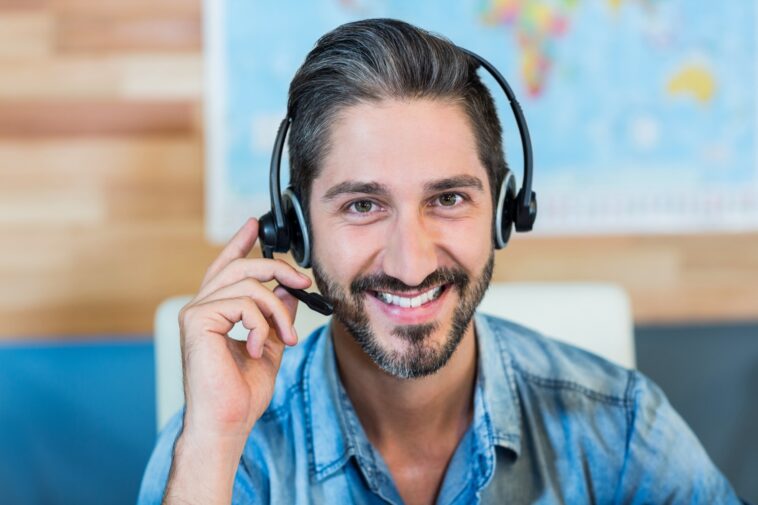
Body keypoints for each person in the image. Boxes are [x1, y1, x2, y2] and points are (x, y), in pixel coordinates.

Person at [138, 18, 742, 505]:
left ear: (505, 211)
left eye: (448, 199)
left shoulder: (622, 427)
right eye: (363, 204)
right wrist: (214, 442)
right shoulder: (222, 449)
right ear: (296, 229)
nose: (411, 261)